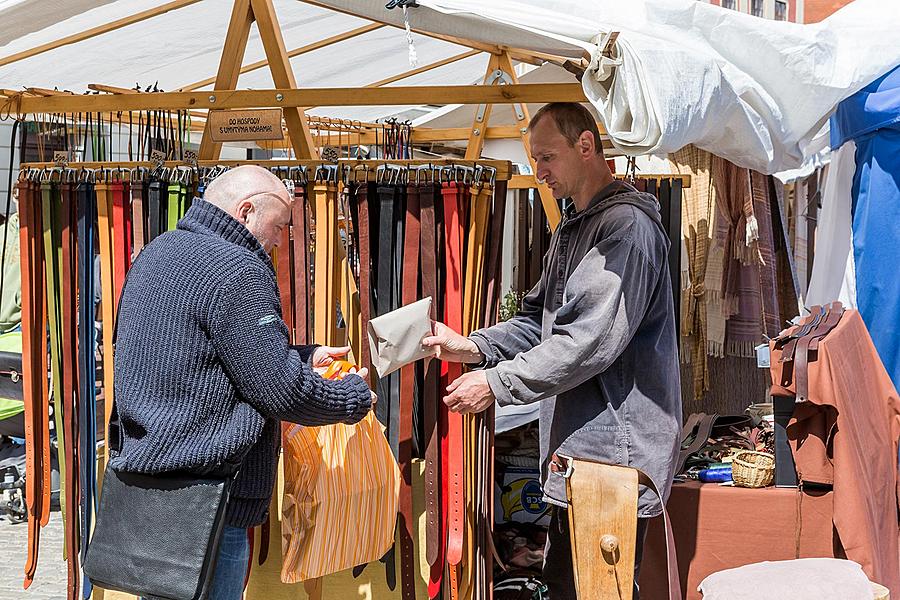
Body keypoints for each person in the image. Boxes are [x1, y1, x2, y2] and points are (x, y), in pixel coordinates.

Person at [424, 102, 681, 599]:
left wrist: (496, 383)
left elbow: (585, 342)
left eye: (546, 157)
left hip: (615, 459)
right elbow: (539, 323)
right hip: (585, 459)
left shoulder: (624, 229)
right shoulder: (576, 226)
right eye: (534, 159)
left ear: (586, 146)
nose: (539, 173)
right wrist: (473, 346)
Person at [112, 165, 374, 600]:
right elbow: (278, 391)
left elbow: (202, 358)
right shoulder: (238, 269)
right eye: (280, 226)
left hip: (155, 492)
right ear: (247, 211)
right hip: (210, 501)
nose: (279, 240)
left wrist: (302, 357)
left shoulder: (158, 252)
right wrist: (351, 398)